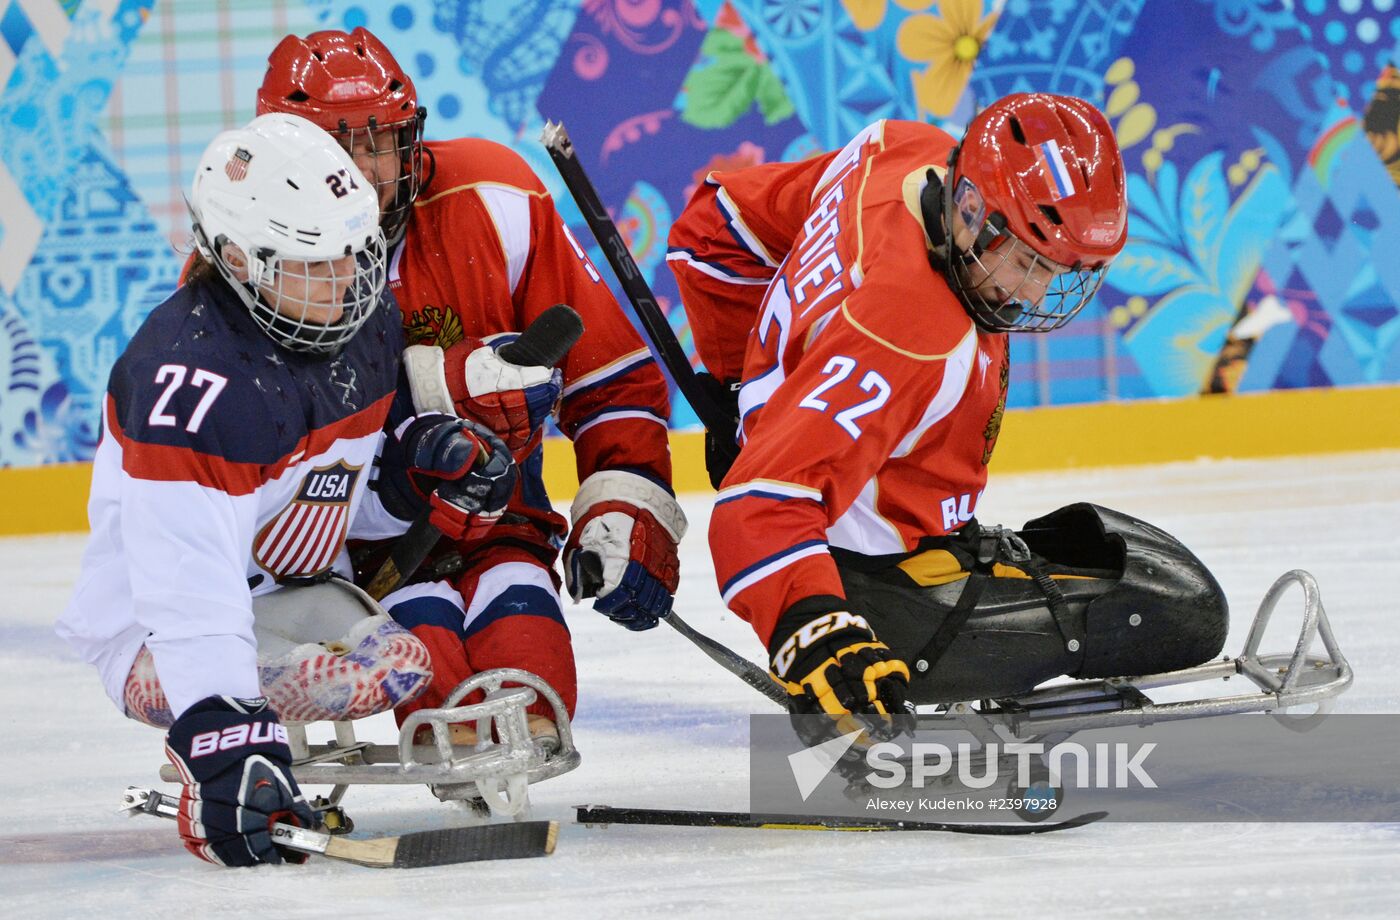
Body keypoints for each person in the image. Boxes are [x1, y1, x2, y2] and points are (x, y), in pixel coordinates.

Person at [664, 94, 1229, 733]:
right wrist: (816, 628)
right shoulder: (910, 334)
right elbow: (758, 506)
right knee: (1180, 610)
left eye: (1062, 270)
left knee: (1138, 570)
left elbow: (716, 227)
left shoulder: (898, 152)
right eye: (1029, 261)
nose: (1036, 294)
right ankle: (878, 637)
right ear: (969, 211)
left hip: (857, 514)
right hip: (873, 587)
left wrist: (746, 389)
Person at [56, 113, 518, 867]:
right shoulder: (192, 380)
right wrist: (224, 736)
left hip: (272, 591)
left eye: (354, 252)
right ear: (240, 258)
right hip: (154, 632)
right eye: (316, 262)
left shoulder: (359, 322)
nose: (347, 280)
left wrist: (416, 474)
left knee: (399, 665)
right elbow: (187, 589)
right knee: (349, 676)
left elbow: (333, 506)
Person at [251, 28, 685, 745]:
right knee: (440, 701)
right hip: (349, 553)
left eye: (380, 142)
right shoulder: (250, 249)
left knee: (533, 693)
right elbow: (269, 434)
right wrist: (443, 383)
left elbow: (612, 377)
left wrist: (625, 504)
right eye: (337, 149)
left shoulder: (492, 196)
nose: (364, 172)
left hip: (501, 525)